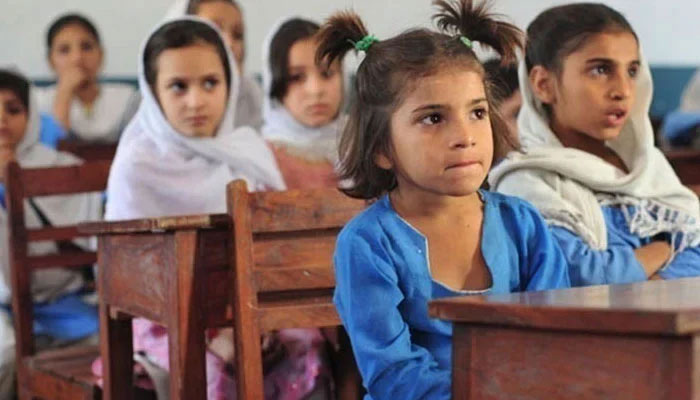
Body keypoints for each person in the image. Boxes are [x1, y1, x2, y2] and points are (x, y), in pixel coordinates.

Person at [318, 1, 571, 398]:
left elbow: (558, 337)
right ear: (381, 147)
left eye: (477, 113)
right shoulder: (368, 244)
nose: (465, 136)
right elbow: (393, 375)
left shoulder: (522, 224)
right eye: (434, 118)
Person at [489, 3, 700, 286]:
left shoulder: (648, 166)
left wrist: (652, 283)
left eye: (632, 71)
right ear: (543, 85)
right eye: (600, 70)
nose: (623, 91)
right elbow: (583, 274)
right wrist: (666, 247)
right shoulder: (526, 180)